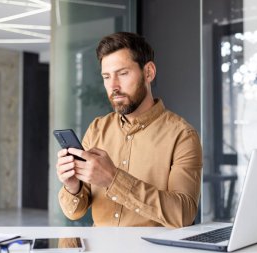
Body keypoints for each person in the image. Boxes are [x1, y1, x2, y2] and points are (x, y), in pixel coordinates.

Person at [56, 32, 202, 228]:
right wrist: (72, 186)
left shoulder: (182, 136)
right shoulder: (97, 129)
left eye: (123, 73)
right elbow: (75, 212)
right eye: (106, 77)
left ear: (148, 72)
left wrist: (113, 179)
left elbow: (183, 214)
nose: (113, 86)